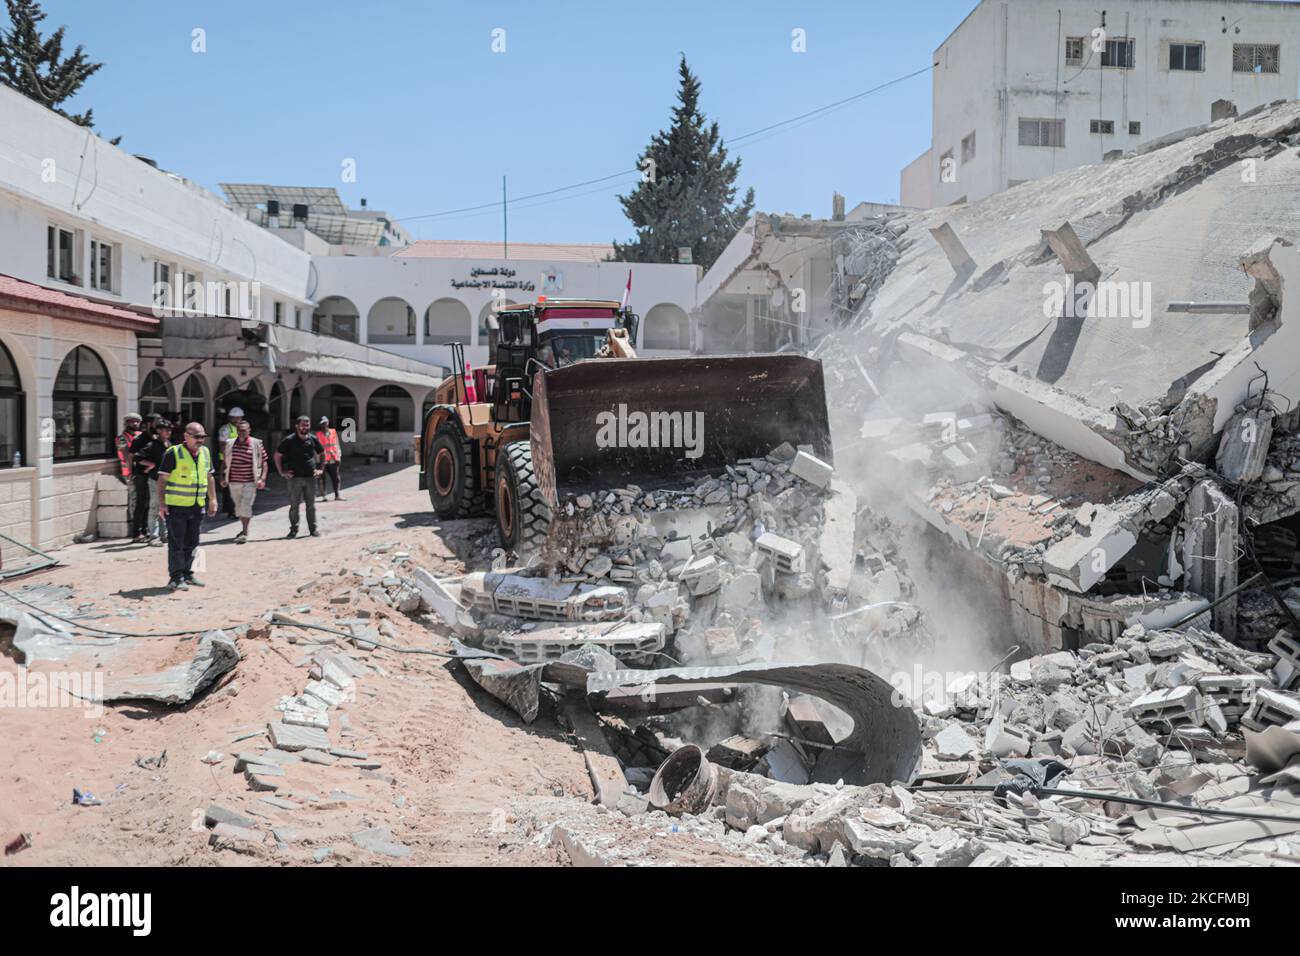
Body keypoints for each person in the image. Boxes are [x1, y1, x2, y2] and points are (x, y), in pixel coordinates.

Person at [156, 421, 217, 591]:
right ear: (186, 436)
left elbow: (210, 477)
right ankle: (176, 577)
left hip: (197, 506)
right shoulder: (173, 453)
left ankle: (188, 574)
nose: (200, 440)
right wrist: (162, 504)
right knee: (177, 544)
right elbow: (162, 480)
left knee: (193, 542)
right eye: (197, 437)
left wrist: (212, 499)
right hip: (177, 507)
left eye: (203, 437)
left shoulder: (205, 452)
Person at [275, 415, 324, 539]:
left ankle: (313, 529)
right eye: (303, 424)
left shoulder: (313, 439)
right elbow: (277, 455)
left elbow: (322, 453)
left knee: (311, 505)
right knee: (294, 506)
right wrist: (282, 472)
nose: (305, 427)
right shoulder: (289, 440)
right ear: (297, 426)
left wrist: (321, 469)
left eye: (307, 424)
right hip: (294, 478)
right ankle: (293, 529)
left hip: (310, 477)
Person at [221, 419, 267, 544]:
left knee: (246, 505)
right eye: (239, 430)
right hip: (234, 481)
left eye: (244, 430)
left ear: (249, 431)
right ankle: (243, 528)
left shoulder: (256, 444)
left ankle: (245, 532)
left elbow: (264, 462)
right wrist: (222, 478)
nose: (241, 433)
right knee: (238, 507)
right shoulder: (230, 444)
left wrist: (262, 478)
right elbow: (224, 461)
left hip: (250, 481)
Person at [138, 419, 173, 546]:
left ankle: (165, 535)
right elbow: (138, 457)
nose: (168, 432)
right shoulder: (152, 445)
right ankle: (154, 536)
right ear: (158, 431)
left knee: (166, 508)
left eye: (169, 430)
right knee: (154, 507)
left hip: (169, 481)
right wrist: (151, 464)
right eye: (165, 430)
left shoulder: (170, 445)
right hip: (155, 480)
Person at [128, 414, 160, 542]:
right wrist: (130, 474)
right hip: (141, 475)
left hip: (151, 475)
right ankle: (137, 533)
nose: (158, 425)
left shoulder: (156, 438)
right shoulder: (139, 439)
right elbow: (131, 457)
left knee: (150, 503)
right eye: (156, 422)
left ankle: (146, 530)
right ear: (148, 424)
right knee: (141, 503)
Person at [116, 412, 143, 531]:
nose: (135, 423)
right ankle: (135, 526)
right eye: (132, 421)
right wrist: (131, 472)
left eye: (137, 421)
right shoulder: (122, 438)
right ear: (126, 423)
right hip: (129, 472)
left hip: (142, 471)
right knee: (134, 499)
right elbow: (126, 455)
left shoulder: (141, 435)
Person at [217, 407, 244, 518]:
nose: (238, 420)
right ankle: (232, 510)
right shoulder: (226, 429)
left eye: (239, 418)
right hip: (228, 461)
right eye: (236, 418)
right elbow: (222, 446)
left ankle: (232, 508)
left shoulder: (242, 429)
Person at [314, 416, 343, 501]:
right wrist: (317, 461)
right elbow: (315, 449)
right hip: (322, 461)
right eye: (322, 423)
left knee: (336, 478)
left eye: (325, 422)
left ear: (328, 422)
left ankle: (337, 495)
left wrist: (339, 457)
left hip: (333, 459)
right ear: (320, 425)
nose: (324, 425)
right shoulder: (317, 435)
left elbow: (337, 445)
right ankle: (324, 496)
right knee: (322, 479)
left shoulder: (333, 432)